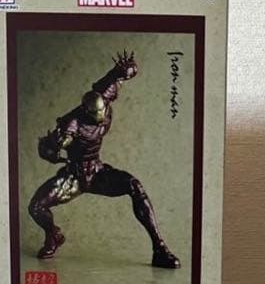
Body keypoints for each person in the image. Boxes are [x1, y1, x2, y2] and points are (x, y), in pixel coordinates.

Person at [29, 50, 180, 268]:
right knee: (36, 207)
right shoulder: (72, 124)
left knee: (135, 186)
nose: (101, 118)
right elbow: (54, 146)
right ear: (85, 111)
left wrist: (127, 70)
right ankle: (53, 235)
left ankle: (160, 249)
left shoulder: (103, 98)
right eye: (95, 115)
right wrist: (52, 148)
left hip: (98, 172)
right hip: (74, 177)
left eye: (103, 111)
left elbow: (120, 74)